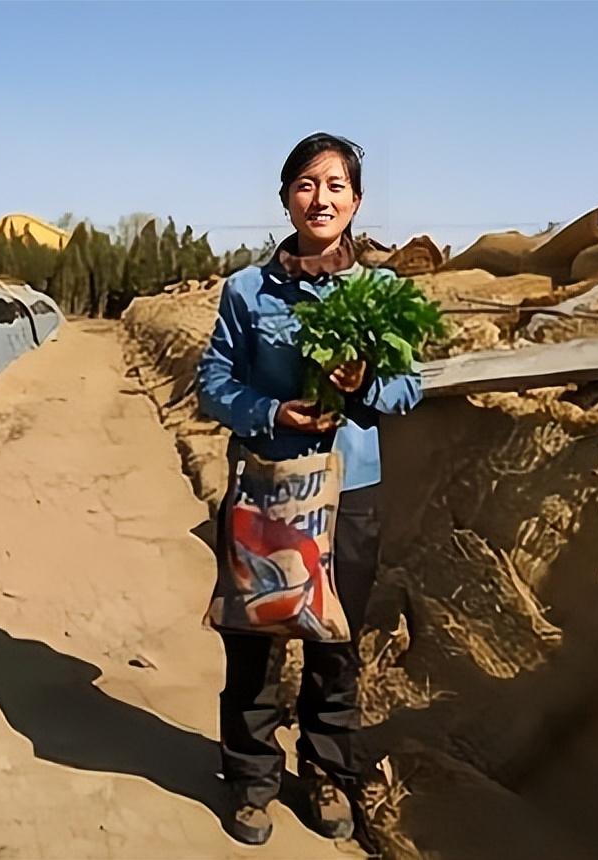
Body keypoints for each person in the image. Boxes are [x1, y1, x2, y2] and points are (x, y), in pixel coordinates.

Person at [196, 132, 422, 845]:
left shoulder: (381, 292)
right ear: (285, 196)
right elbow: (213, 380)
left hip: (350, 491)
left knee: (336, 646)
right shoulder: (246, 290)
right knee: (256, 638)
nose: (320, 199)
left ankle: (326, 773)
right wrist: (269, 413)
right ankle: (252, 778)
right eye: (306, 184)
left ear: (356, 201)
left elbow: (412, 387)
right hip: (268, 486)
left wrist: (368, 384)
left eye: (335, 186)